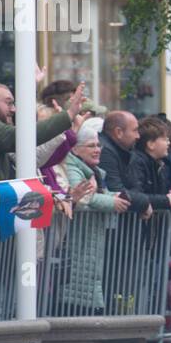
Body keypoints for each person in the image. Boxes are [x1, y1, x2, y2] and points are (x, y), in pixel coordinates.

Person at [60, 119, 128, 313]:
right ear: (75, 149)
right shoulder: (72, 167)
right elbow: (84, 198)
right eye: (91, 146)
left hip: (89, 240)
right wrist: (112, 202)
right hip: (76, 240)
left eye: (99, 145)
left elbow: (95, 194)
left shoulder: (94, 171)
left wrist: (112, 197)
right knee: (76, 301)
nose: (97, 149)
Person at [0, 80, 82, 182]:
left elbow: (33, 158)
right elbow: (17, 137)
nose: (13, 109)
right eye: (9, 103)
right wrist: (69, 115)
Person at [98, 110, 155, 214]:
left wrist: (141, 201)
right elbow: (116, 190)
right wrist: (143, 202)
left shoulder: (126, 151)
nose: (138, 136)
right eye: (135, 130)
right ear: (118, 132)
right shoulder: (105, 151)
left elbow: (135, 186)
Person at [133, 116, 171, 212]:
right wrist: (167, 200)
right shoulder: (138, 162)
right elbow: (137, 195)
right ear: (151, 144)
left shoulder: (158, 163)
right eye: (164, 139)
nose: (168, 142)